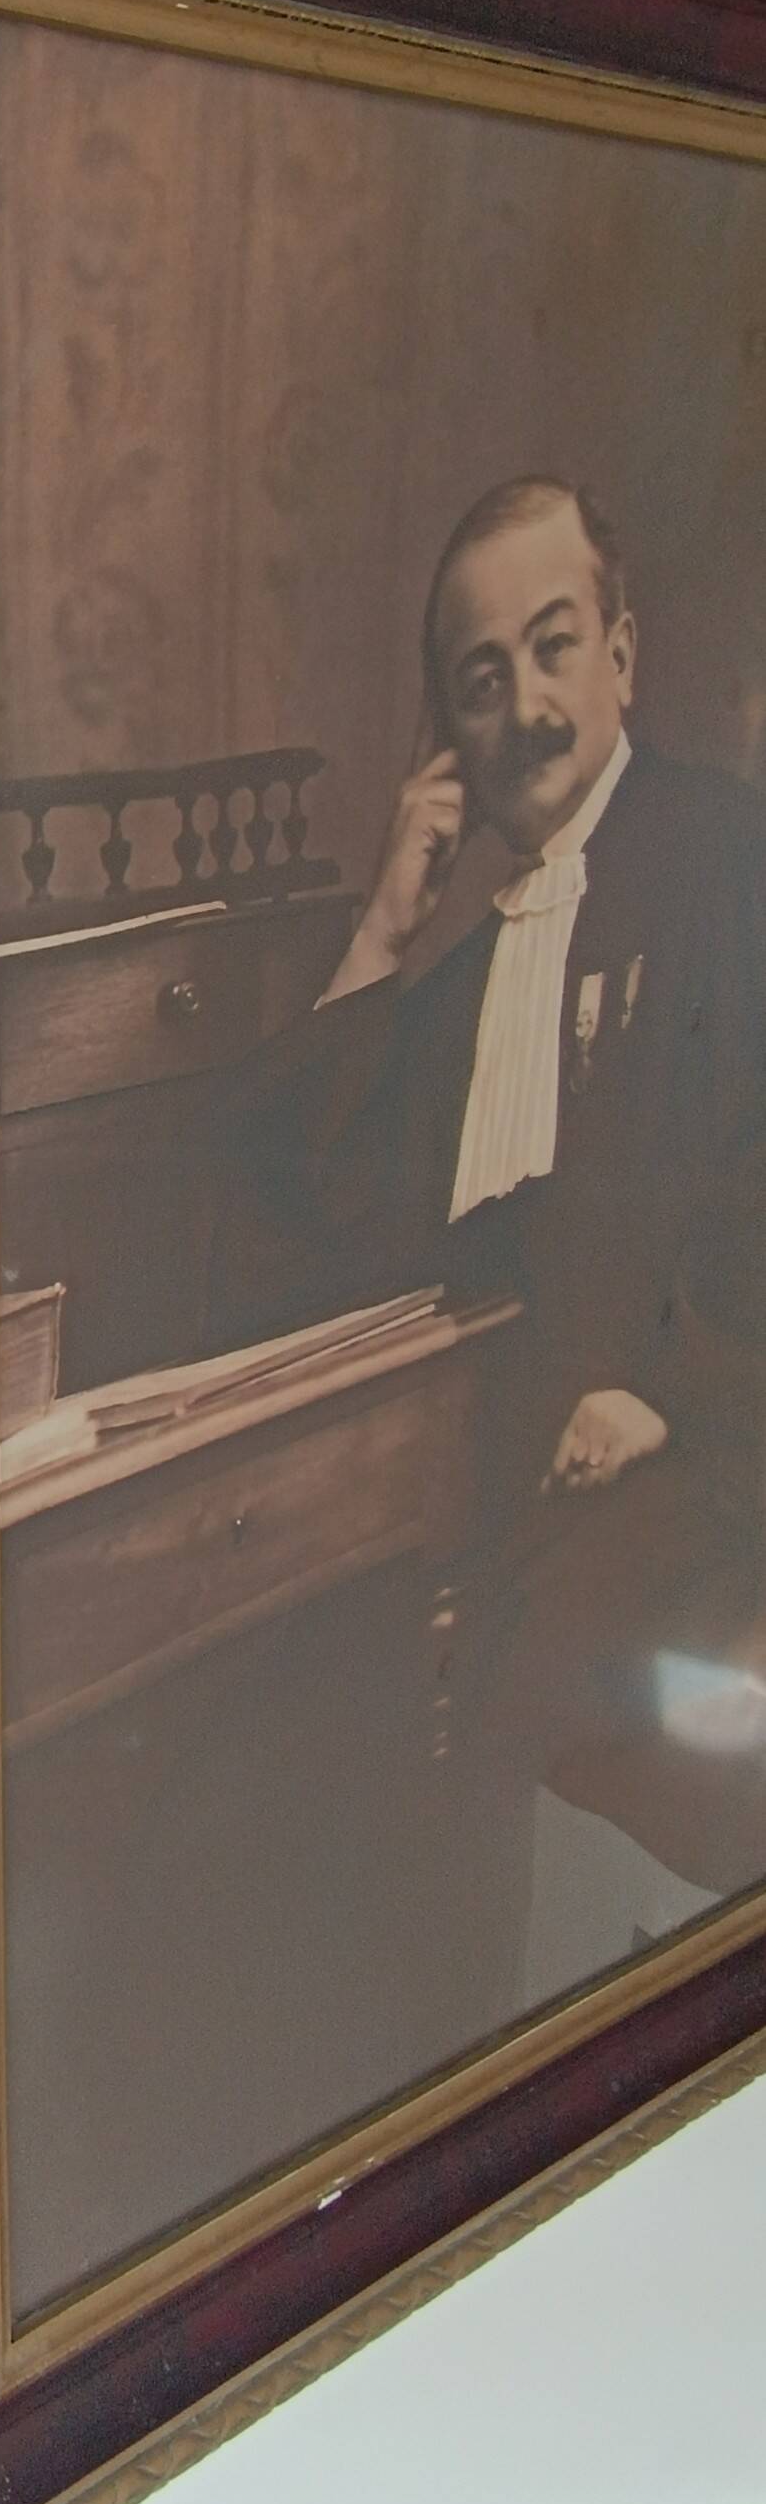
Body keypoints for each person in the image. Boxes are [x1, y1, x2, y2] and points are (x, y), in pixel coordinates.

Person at [209, 476, 766, 1889]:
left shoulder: (725, 857)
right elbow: (282, 1223)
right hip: (516, 1496)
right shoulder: (458, 989)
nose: (525, 703)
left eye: (556, 644)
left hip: (705, 1445)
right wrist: (392, 920)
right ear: (447, 739)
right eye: (482, 678)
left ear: (624, 656)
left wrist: (669, 1391)